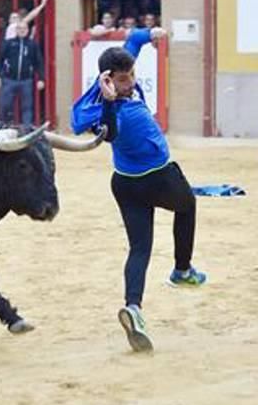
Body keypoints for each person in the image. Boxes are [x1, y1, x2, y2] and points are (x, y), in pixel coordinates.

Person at [72, 47, 207, 353]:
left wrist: (148, 36)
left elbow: (131, 42)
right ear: (107, 79)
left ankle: (133, 307)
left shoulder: (108, 99)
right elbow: (108, 132)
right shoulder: (109, 110)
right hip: (159, 177)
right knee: (188, 206)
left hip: (125, 182)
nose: (130, 82)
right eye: (123, 79)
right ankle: (182, 270)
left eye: (131, 75)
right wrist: (107, 100)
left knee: (139, 248)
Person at [0, 21, 44, 125]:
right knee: (5, 105)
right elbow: (0, 59)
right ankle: (5, 126)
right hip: (9, 80)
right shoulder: (9, 43)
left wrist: (41, 79)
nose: (22, 30)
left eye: (24, 28)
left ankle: (26, 130)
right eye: (20, 28)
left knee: (27, 107)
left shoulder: (32, 44)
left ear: (28, 30)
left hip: (26, 80)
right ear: (16, 30)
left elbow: (38, 62)